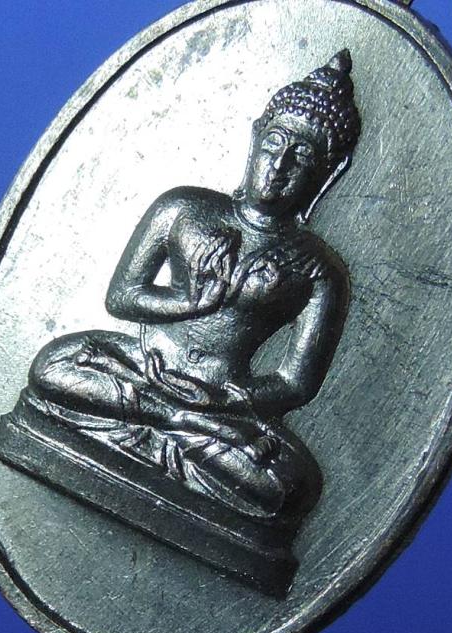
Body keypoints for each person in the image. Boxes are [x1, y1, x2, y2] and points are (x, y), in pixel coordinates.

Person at [23, 50, 361, 520]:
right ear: (255, 139)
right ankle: (173, 422)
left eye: (301, 156)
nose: (279, 165)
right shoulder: (182, 207)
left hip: (220, 401)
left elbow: (295, 382)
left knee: (288, 488)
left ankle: (164, 425)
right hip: (141, 364)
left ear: (328, 172)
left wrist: (227, 399)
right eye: (274, 143)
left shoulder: (318, 269)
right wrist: (187, 302)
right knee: (52, 364)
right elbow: (121, 297)